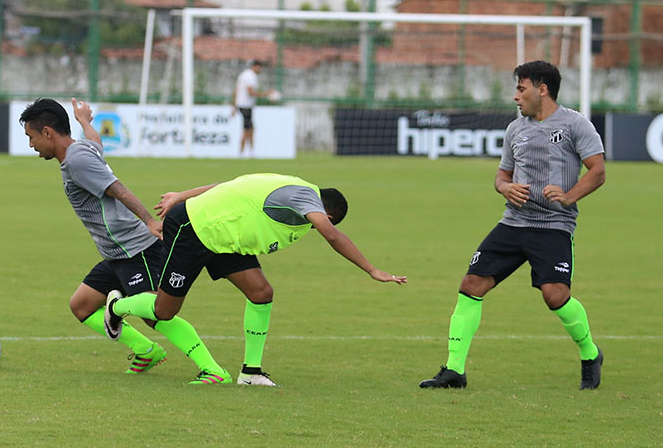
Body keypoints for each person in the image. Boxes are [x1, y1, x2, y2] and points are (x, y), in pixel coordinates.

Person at [105, 173, 407, 386]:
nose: (316, 227)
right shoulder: (304, 196)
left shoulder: (293, 191)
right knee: (165, 311)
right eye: (322, 220)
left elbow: (233, 185)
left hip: (227, 241)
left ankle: (251, 372)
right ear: (326, 211)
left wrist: (181, 193)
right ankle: (118, 307)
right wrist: (371, 270)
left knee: (261, 292)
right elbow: (332, 235)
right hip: (194, 228)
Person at [419, 60, 606, 390]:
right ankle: (454, 370)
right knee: (471, 284)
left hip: (553, 225)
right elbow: (502, 175)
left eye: (521, 89)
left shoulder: (576, 124)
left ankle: (590, 354)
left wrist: (567, 196)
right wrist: (504, 187)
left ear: (542, 89)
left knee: (555, 295)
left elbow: (597, 171)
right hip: (513, 222)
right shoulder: (515, 129)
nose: (516, 97)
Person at [19, 98, 229, 380]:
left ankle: (214, 370)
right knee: (81, 305)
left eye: (31, 137)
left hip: (134, 247)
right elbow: (97, 142)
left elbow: (118, 190)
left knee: (156, 313)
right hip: (116, 252)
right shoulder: (82, 148)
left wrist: (150, 221)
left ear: (47, 132)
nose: (31, 145)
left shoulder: (77, 160)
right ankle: (145, 350)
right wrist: (85, 122)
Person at [231, 59, 272, 157]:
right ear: (256, 66)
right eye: (260, 68)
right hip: (245, 105)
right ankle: (242, 153)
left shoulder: (243, 75)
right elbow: (251, 92)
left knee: (251, 128)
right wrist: (266, 94)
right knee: (247, 129)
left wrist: (234, 105)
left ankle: (250, 151)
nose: (260, 70)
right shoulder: (250, 76)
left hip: (243, 105)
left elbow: (236, 90)